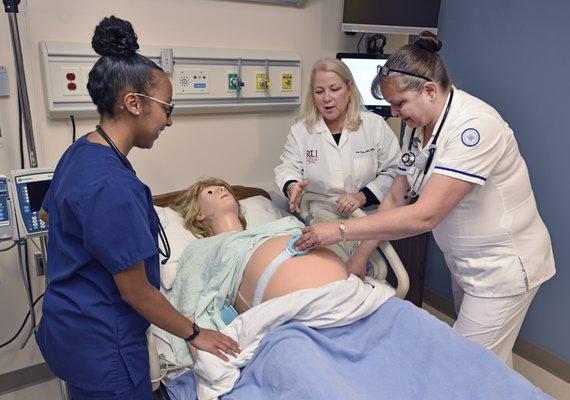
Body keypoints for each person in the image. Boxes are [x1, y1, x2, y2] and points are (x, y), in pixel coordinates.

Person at [294, 31, 555, 366]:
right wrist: (359, 257)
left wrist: (339, 230)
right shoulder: (419, 127)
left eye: (399, 103)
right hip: (466, 262)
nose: (394, 111)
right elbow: (395, 198)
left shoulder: (474, 127)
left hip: (501, 265)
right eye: (391, 104)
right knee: (491, 363)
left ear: (429, 89)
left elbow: (425, 215)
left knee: (464, 365)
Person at [35, 17, 238, 399]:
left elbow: (49, 216)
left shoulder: (82, 150)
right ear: (133, 104)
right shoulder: (112, 185)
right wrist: (196, 334)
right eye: (167, 107)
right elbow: (136, 292)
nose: (169, 120)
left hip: (69, 324)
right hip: (102, 344)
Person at [170, 178, 349, 317]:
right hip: (295, 312)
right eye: (210, 192)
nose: (221, 189)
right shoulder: (202, 248)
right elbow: (189, 304)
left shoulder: (277, 227)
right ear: (199, 214)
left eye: (223, 188)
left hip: (348, 293)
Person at [274, 57, 401, 215]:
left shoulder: (374, 125)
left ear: (349, 90)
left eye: (334, 89)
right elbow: (287, 168)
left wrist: (362, 196)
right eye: (319, 91)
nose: (327, 98)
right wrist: (292, 186)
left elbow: (393, 170)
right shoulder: (301, 131)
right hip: (320, 217)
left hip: (367, 216)